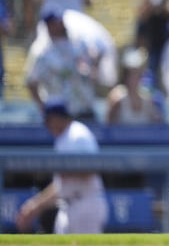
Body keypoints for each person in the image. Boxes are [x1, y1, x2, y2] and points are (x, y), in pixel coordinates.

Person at [15, 99, 108, 234]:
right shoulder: (63, 138)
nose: (47, 125)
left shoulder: (78, 135)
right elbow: (61, 185)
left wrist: (69, 171)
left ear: (57, 117)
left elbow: (92, 169)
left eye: (48, 120)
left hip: (86, 205)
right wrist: (35, 206)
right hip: (67, 206)